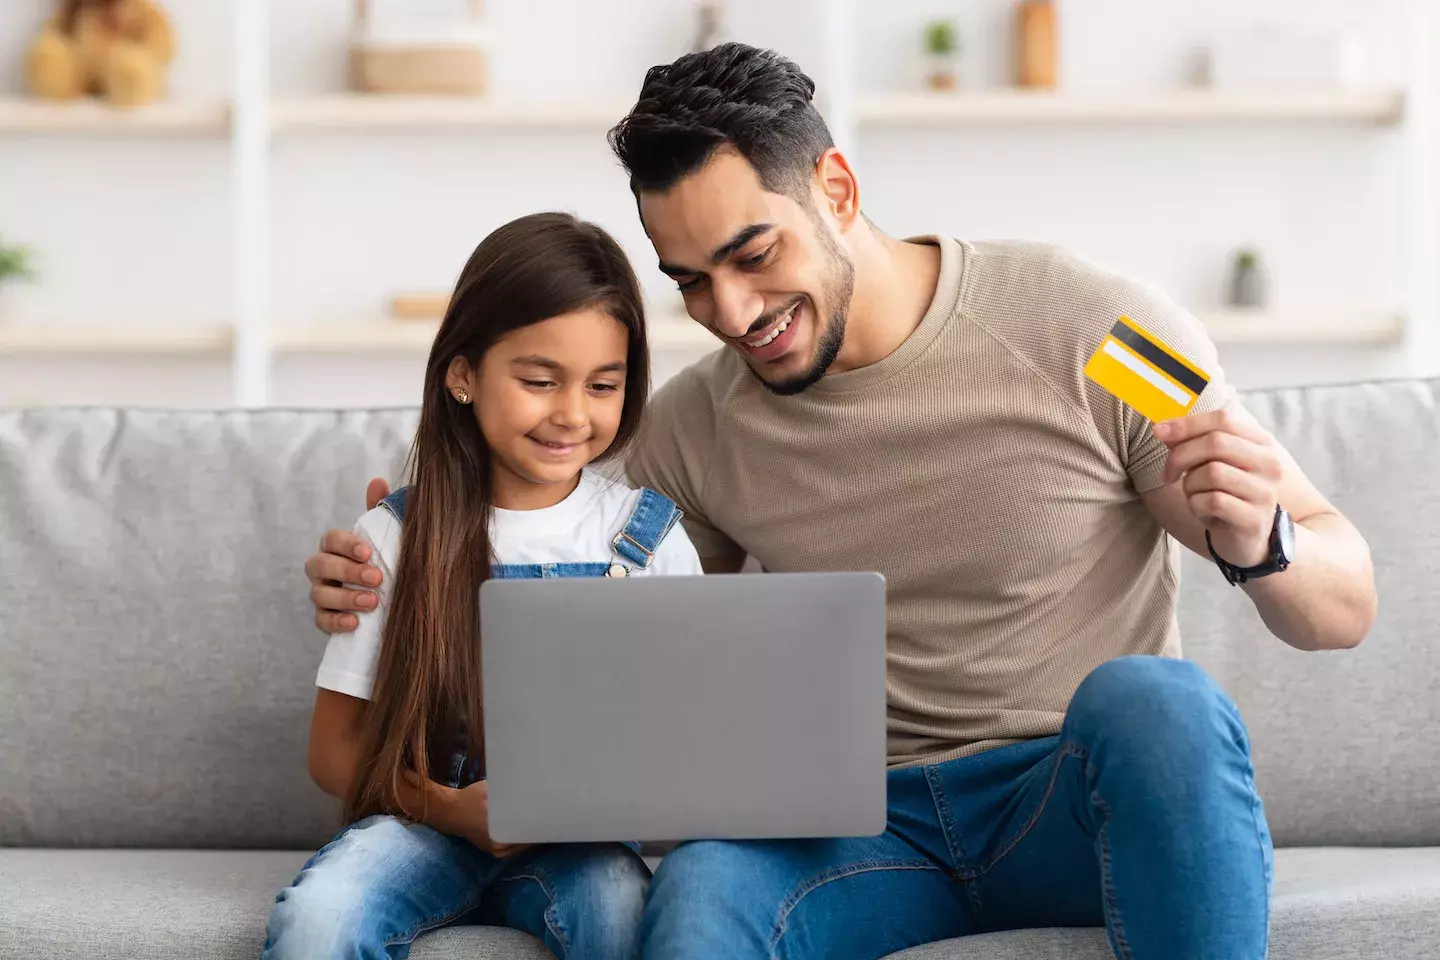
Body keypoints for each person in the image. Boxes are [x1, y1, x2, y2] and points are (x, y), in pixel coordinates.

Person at [303, 44, 1377, 960]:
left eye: (752, 254)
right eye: (689, 281)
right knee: (705, 883)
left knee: (1159, 702)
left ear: (839, 190)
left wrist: (1266, 540)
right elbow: (564, 587)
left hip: (1066, 800)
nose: (731, 312)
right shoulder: (696, 423)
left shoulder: (1097, 331)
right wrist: (398, 547)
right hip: (853, 830)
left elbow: (1343, 604)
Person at [265, 212, 703, 960]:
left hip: (581, 845)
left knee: (624, 910)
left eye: (604, 384)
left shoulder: (649, 536)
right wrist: (454, 809)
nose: (572, 413)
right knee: (319, 921)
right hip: (424, 825)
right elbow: (333, 752)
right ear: (462, 374)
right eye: (539, 381)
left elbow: (700, 736)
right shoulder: (395, 537)